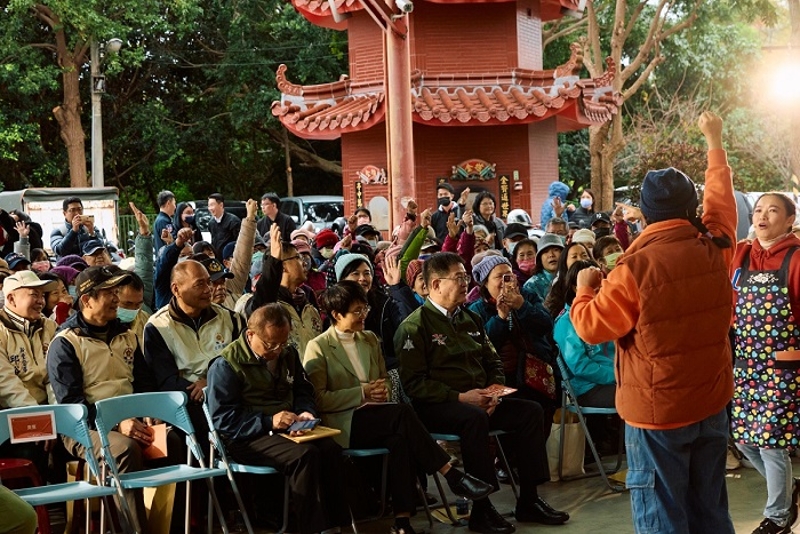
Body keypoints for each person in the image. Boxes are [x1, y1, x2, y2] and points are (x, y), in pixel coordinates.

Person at [570, 112, 736, 534]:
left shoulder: (633, 270)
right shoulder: (715, 247)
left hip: (658, 414)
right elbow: (721, 204)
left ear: (643, 214)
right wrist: (714, 142)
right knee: (711, 512)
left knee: (663, 517)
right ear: (690, 207)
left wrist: (584, 290)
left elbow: (590, 327)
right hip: (711, 402)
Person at [396, 252, 569, 534]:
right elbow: (414, 384)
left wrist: (493, 392)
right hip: (439, 406)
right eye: (458, 277)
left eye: (465, 276)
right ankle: (482, 508)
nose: (465, 283)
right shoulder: (414, 326)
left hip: (481, 400)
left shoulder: (470, 319)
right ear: (436, 284)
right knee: (473, 419)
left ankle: (529, 499)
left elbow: (493, 362)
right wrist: (462, 398)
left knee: (530, 411)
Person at [304, 282, 493, 534]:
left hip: (380, 417)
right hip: (345, 423)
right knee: (402, 413)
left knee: (399, 441)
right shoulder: (318, 346)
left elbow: (384, 379)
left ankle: (403, 522)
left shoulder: (370, 339)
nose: (364, 315)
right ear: (337, 315)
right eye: (357, 311)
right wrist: (361, 393)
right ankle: (451, 474)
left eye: (365, 309)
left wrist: (382, 391)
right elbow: (319, 399)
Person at [47, 266, 177, 534]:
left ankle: (173, 527)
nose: (117, 299)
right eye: (109, 293)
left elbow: (144, 384)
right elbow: (72, 405)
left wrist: (149, 412)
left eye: (117, 292)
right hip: (84, 428)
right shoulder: (66, 343)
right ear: (87, 300)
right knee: (125, 449)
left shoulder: (127, 335)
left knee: (172, 441)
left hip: (130, 420)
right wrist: (116, 424)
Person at [207, 303, 349, 534]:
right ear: (250, 335)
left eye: (283, 343)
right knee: (304, 456)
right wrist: (268, 422)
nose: (276, 350)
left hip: (288, 427)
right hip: (247, 435)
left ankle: (336, 525)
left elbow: (304, 390)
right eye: (270, 344)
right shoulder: (226, 364)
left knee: (330, 449)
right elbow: (224, 420)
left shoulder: (288, 354)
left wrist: (306, 412)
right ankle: (312, 528)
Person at [731, 192, 800, 534]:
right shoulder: (742, 254)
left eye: (773, 211)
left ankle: (778, 517)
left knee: (772, 442)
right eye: (758, 210)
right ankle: (787, 488)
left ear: (789, 220)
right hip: (747, 364)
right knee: (744, 440)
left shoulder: (797, 257)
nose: (762, 216)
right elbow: (731, 302)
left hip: (784, 367)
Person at [144, 259, 243, 436]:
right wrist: (203, 390)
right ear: (176, 289)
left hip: (231, 391)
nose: (208, 289)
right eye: (199, 284)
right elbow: (166, 380)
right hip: (190, 401)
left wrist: (212, 383)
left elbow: (242, 361)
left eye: (209, 282)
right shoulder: (158, 327)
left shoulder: (230, 319)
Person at [468, 255, 556, 412]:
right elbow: (481, 346)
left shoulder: (527, 296)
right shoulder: (477, 309)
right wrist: (500, 318)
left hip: (535, 374)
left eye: (508, 276)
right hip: (501, 379)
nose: (505, 281)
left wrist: (522, 306)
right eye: (499, 277)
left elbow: (546, 325)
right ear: (486, 283)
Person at [552, 260, 615, 408]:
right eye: (594, 286)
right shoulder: (566, 322)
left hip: (617, 379)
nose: (600, 289)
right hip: (589, 387)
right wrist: (616, 375)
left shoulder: (606, 311)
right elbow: (580, 366)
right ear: (576, 287)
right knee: (638, 398)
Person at [522, 233, 564, 303]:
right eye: (546, 252)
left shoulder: (571, 278)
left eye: (556, 250)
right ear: (540, 259)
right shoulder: (531, 285)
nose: (551, 255)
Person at [207, 193, 241, 258]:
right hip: (217, 258)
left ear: (221, 205)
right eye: (209, 206)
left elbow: (239, 243)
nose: (210, 208)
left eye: (212, 205)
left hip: (230, 258)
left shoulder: (233, 221)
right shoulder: (211, 223)